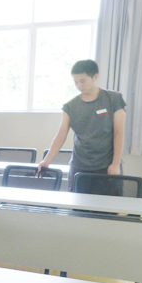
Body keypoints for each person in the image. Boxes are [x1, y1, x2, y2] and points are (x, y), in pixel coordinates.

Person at [39, 60, 126, 193]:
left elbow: (119, 133)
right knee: (78, 205)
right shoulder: (70, 106)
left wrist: (115, 163)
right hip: (80, 167)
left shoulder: (114, 99)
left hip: (107, 166)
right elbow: (61, 136)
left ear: (95, 77)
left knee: (108, 205)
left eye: (83, 81)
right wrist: (46, 160)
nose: (79, 85)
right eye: (75, 81)